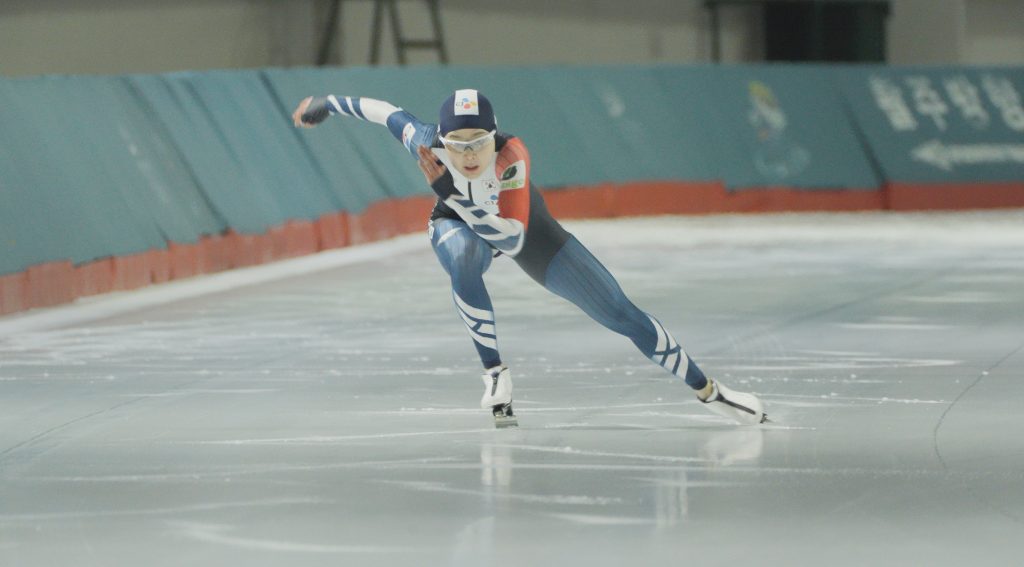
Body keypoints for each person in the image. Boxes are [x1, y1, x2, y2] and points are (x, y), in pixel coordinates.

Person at [292, 89, 767, 427]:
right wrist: (327, 104)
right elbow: (383, 111)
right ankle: (495, 372)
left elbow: (512, 239)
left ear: (495, 138)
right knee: (460, 258)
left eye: (479, 143)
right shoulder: (425, 140)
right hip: (459, 225)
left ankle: (709, 390)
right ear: (442, 140)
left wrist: (449, 191)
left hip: (525, 229)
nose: (470, 154)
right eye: (458, 146)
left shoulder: (511, 156)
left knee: (622, 314)